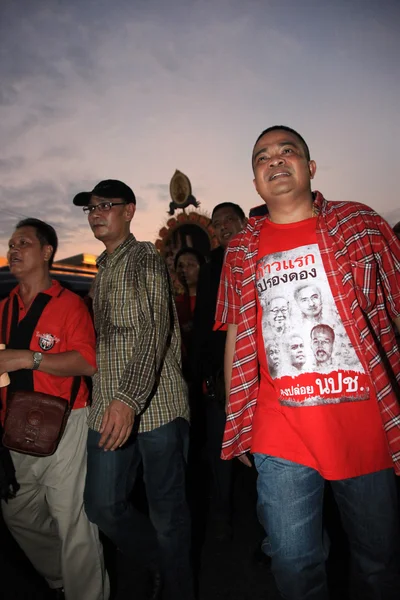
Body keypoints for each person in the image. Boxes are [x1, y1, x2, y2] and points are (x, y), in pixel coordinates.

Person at [217, 126, 400, 599]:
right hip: (280, 425)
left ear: (310, 167)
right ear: (255, 181)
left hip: (363, 420)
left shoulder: (358, 223)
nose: (275, 161)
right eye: (262, 157)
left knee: (378, 562)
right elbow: (238, 333)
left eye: (287, 151)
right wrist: (237, 419)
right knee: (293, 564)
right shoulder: (240, 250)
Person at [72, 180, 193, 600]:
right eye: (90, 208)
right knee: (102, 505)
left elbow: (154, 329)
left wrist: (128, 399)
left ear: (130, 211)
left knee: (168, 516)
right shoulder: (102, 270)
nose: (96, 213)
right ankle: (162, 562)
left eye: (106, 205)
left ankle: (177, 586)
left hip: (156, 407)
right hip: (108, 406)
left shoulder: (143, 257)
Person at [0, 218, 108, 600]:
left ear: (46, 252)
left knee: (73, 520)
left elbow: (87, 362)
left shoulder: (69, 304)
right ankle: (61, 575)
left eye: (23, 243)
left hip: (66, 420)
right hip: (12, 428)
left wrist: (26, 358)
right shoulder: (3, 308)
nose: (13, 249)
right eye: (11, 244)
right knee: (17, 514)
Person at [191, 202, 246, 541]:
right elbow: (203, 327)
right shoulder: (212, 267)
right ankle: (222, 512)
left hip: (259, 369)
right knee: (220, 444)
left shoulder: (262, 254)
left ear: (241, 221)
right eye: (217, 223)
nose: (223, 226)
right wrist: (204, 372)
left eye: (228, 219)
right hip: (219, 373)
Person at [174, 247, 206, 368]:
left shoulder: (212, 300)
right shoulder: (175, 304)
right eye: (180, 266)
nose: (184, 270)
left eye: (190, 265)